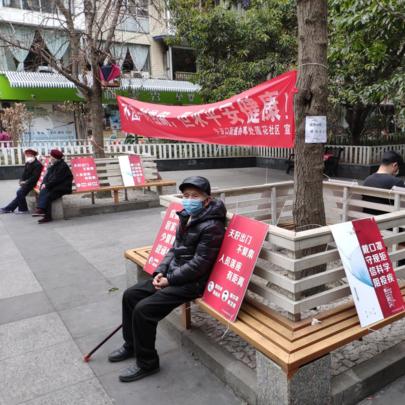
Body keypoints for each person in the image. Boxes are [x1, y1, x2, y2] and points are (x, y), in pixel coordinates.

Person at [108, 176, 226, 383]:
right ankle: (132, 345)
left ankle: (147, 363)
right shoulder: (187, 216)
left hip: (193, 283)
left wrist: (169, 280)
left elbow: (200, 264)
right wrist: (160, 272)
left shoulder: (212, 226)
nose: (189, 199)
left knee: (144, 310)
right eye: (186, 195)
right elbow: (174, 249)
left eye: (194, 196)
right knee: (130, 295)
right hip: (174, 275)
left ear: (206, 200)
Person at [32, 149, 73, 224]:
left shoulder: (62, 166)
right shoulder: (53, 165)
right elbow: (47, 177)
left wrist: (46, 185)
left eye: (51, 157)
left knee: (48, 195)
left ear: (55, 158)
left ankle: (43, 212)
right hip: (54, 186)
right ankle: (42, 211)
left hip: (63, 187)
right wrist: (43, 184)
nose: (50, 158)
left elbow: (56, 180)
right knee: (44, 191)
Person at [1, 149, 43, 214]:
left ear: (33, 155)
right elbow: (24, 174)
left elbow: (35, 177)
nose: (27, 156)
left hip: (34, 183)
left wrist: (26, 182)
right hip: (27, 182)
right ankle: (8, 208)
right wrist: (21, 180)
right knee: (20, 194)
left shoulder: (38, 164)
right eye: (27, 155)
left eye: (29, 155)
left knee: (19, 192)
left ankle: (23, 209)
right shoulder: (28, 163)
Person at [363, 150, 405, 216]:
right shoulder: (397, 182)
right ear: (395, 165)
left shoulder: (367, 180)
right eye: (398, 168)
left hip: (369, 222)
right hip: (387, 224)